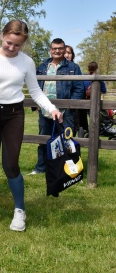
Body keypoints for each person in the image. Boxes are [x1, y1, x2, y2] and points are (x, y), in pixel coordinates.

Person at [0, 20, 64, 233]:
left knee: (11, 164)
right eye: (9, 43)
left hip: (14, 115)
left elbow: (35, 91)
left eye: (17, 45)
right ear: (2, 36)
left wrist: (51, 108)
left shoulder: (27, 62)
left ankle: (19, 210)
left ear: (23, 44)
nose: (12, 48)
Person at [28, 38, 84, 175]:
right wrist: (39, 106)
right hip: (45, 111)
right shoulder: (42, 66)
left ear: (64, 50)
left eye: (60, 48)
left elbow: (79, 89)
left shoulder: (73, 68)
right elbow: (35, 86)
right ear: (50, 50)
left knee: (68, 141)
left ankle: (71, 171)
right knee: (43, 140)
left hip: (65, 112)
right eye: (54, 48)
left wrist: (69, 106)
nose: (57, 51)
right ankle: (41, 168)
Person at [80, 61, 109, 135]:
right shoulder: (99, 78)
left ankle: (81, 135)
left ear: (88, 68)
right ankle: (94, 134)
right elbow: (104, 90)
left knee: (82, 120)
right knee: (94, 119)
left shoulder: (83, 77)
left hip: (83, 101)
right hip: (94, 102)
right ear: (97, 68)